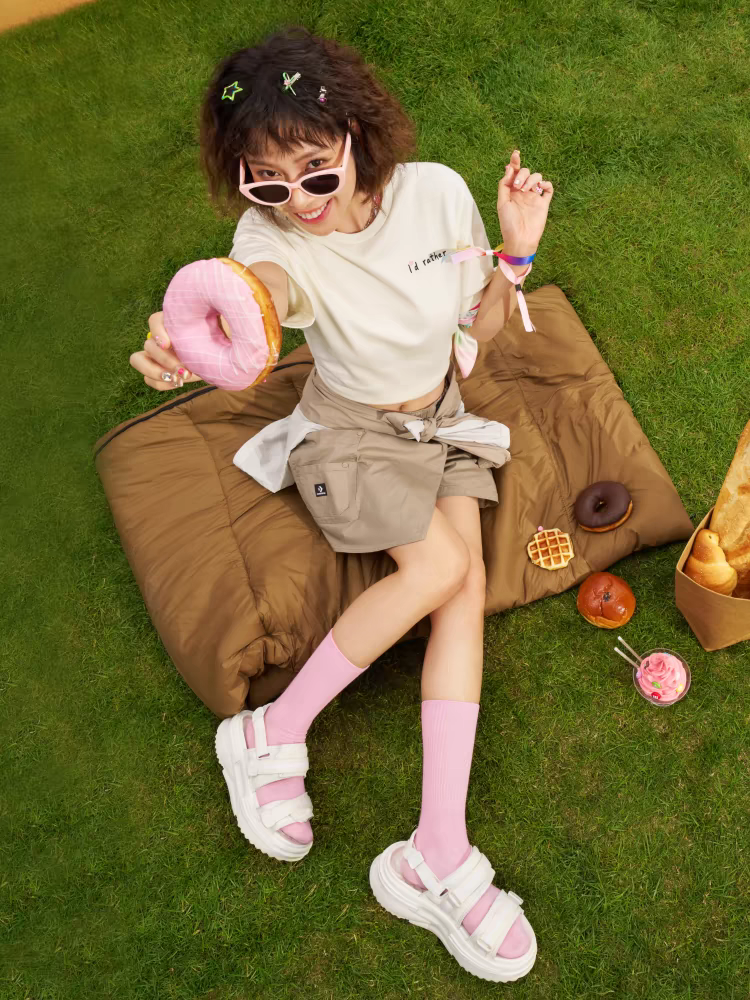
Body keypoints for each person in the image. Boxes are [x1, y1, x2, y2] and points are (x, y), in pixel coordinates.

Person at [129, 25, 553, 982]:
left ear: (357, 134)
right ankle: (270, 733)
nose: (301, 201)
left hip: (438, 420)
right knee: (442, 569)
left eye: (315, 171)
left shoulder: (436, 192)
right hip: (349, 434)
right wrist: (184, 334)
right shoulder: (268, 242)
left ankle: (435, 850)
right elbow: (256, 294)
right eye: (268, 182)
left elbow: (479, 323)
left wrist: (516, 255)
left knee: (463, 589)